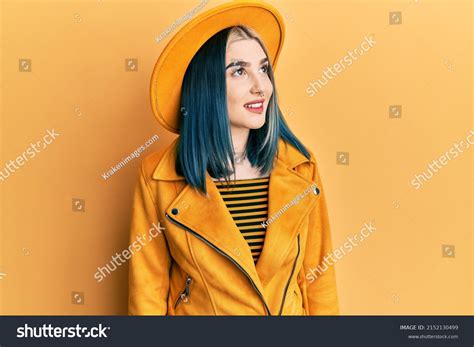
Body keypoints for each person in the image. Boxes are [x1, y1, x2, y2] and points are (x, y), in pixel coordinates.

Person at [128, 1, 339, 315]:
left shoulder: (300, 167)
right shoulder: (159, 176)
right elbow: (147, 297)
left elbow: (319, 282)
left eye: (263, 68)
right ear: (207, 86)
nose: (261, 86)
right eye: (240, 70)